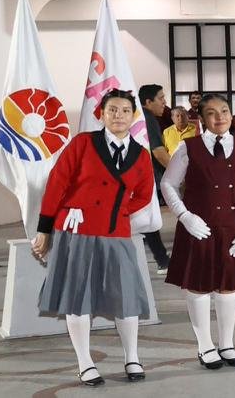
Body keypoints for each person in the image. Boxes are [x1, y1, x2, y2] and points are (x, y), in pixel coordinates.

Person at [33, 89, 154, 386]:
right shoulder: (83, 143)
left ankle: (132, 357)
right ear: (101, 113)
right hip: (76, 232)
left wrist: (116, 212)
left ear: (134, 115)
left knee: (126, 296)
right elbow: (57, 183)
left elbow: (144, 195)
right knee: (78, 296)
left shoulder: (140, 154)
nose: (119, 116)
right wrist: (45, 228)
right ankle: (85, 362)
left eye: (125, 110)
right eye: (112, 110)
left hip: (116, 233)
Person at [162, 93, 235, 369]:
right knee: (199, 286)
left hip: (234, 227)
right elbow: (168, 184)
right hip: (198, 228)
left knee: (229, 286)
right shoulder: (187, 147)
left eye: (225, 111)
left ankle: (226, 344)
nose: (221, 117)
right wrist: (185, 216)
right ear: (202, 119)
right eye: (213, 113)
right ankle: (205, 346)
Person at [138, 84, 172, 273]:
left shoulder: (143, 116)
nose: (164, 102)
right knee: (148, 217)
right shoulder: (147, 118)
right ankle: (162, 260)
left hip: (143, 177)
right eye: (161, 98)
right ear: (148, 102)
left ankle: (162, 259)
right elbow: (158, 152)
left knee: (148, 218)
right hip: (144, 178)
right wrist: (179, 173)